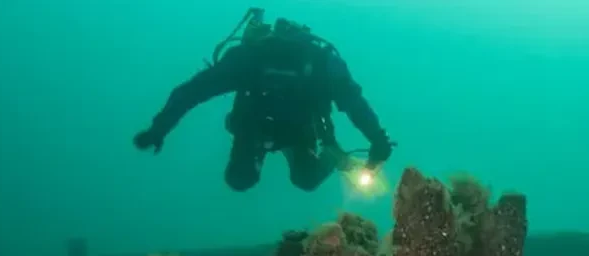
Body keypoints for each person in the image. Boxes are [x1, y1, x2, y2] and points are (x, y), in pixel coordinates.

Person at [132, 10, 394, 192]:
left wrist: (159, 128)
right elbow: (354, 103)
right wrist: (378, 140)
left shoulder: (260, 60)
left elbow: (191, 91)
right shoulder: (314, 63)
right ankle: (331, 156)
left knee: (304, 180)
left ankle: (333, 156)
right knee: (241, 179)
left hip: (292, 131)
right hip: (264, 129)